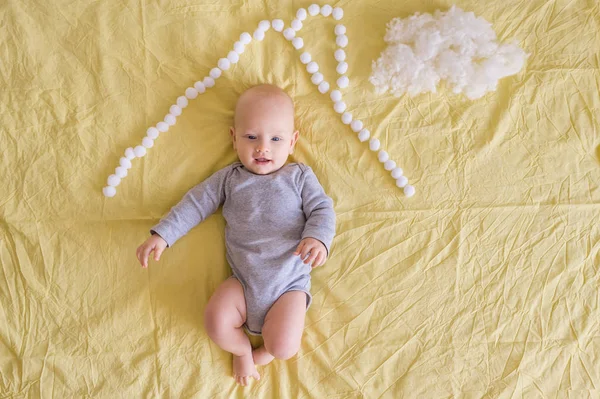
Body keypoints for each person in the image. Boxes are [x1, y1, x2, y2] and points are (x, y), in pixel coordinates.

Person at [135, 84, 336, 386]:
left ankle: (264, 354)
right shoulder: (229, 179)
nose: (262, 147)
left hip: (288, 284)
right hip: (242, 282)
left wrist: (318, 238)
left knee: (284, 347)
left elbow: (323, 209)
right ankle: (242, 349)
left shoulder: (299, 176)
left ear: (293, 141)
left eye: (276, 138)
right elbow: (194, 205)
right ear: (234, 138)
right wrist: (163, 234)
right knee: (215, 321)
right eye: (251, 137)